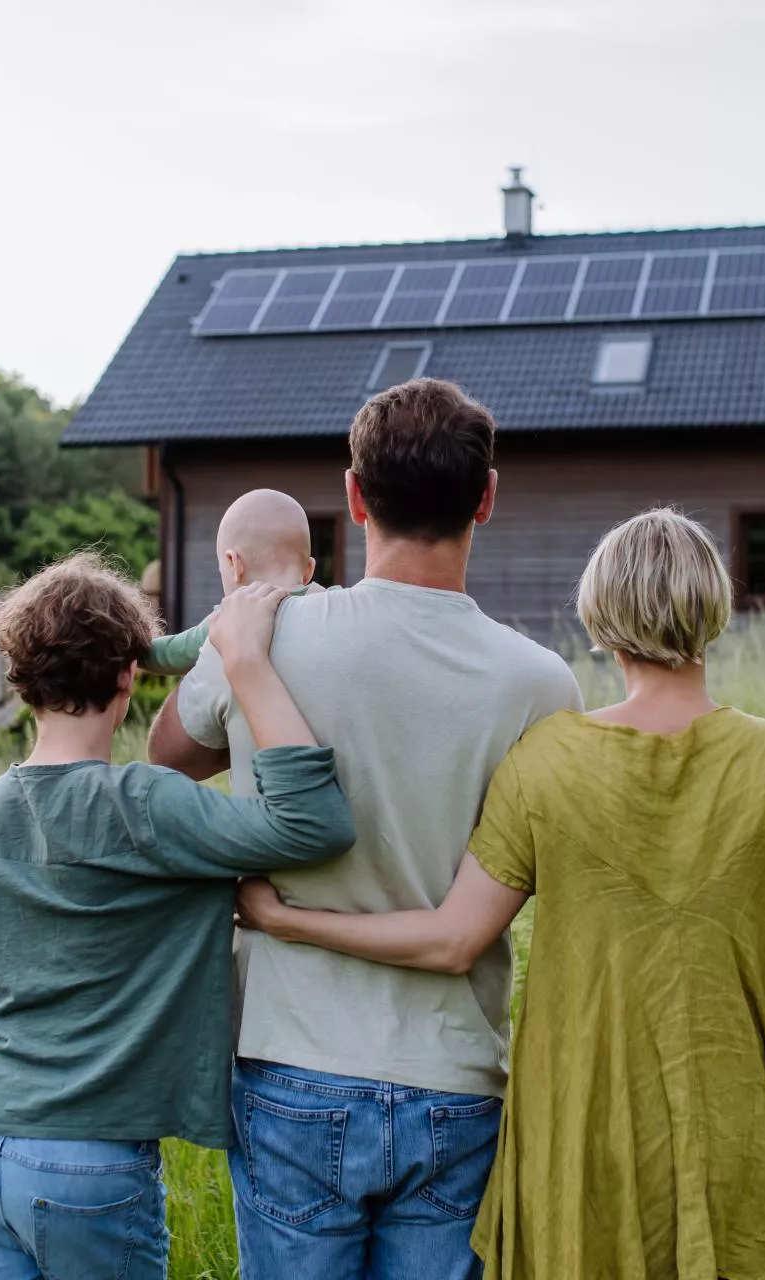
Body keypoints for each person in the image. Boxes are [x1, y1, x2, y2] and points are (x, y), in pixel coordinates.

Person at [235, 508, 765, 1280]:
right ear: (715, 607)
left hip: (576, 1136)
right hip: (726, 1130)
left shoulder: (545, 761)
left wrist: (288, 919)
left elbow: (453, 940)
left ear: (600, 616)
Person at [148, 378, 583, 1280]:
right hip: (455, 1079)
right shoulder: (543, 686)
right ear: (487, 498)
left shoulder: (266, 636)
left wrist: (236, 622)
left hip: (288, 1063)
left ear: (353, 496)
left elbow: (167, 758)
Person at [0, 550, 356, 1280]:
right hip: (89, 1166)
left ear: (20, 680)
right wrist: (247, 663)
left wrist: (8, 1111)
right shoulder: (143, 804)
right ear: (128, 677)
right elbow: (314, 824)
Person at [145, 487, 317, 676]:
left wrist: (130, 646)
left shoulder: (228, 621)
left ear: (234, 563)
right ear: (309, 570)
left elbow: (169, 654)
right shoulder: (331, 605)